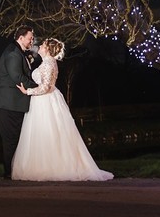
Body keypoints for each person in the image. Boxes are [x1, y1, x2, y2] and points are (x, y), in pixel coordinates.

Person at [12, 38, 113, 181]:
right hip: (43, 101)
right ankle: (45, 165)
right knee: (46, 133)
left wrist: (27, 91)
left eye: (42, 45)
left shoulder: (48, 63)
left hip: (45, 101)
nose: (39, 46)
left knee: (49, 132)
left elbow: (45, 87)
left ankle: (51, 167)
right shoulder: (47, 62)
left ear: (47, 49)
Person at [0, 25, 36, 179]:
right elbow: (17, 77)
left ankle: (14, 171)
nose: (32, 41)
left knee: (16, 138)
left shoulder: (20, 53)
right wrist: (38, 87)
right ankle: (9, 173)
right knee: (11, 138)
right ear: (21, 38)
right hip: (9, 103)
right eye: (30, 38)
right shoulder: (13, 53)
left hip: (14, 103)